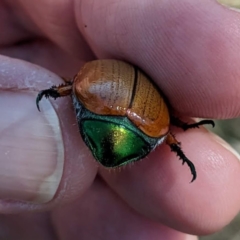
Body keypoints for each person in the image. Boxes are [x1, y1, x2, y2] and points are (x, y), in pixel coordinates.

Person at [0, 0, 240, 239]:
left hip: (113, 111)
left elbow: (76, 86)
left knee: (76, 88)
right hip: (138, 124)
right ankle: (178, 140)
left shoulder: (98, 67)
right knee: (161, 128)